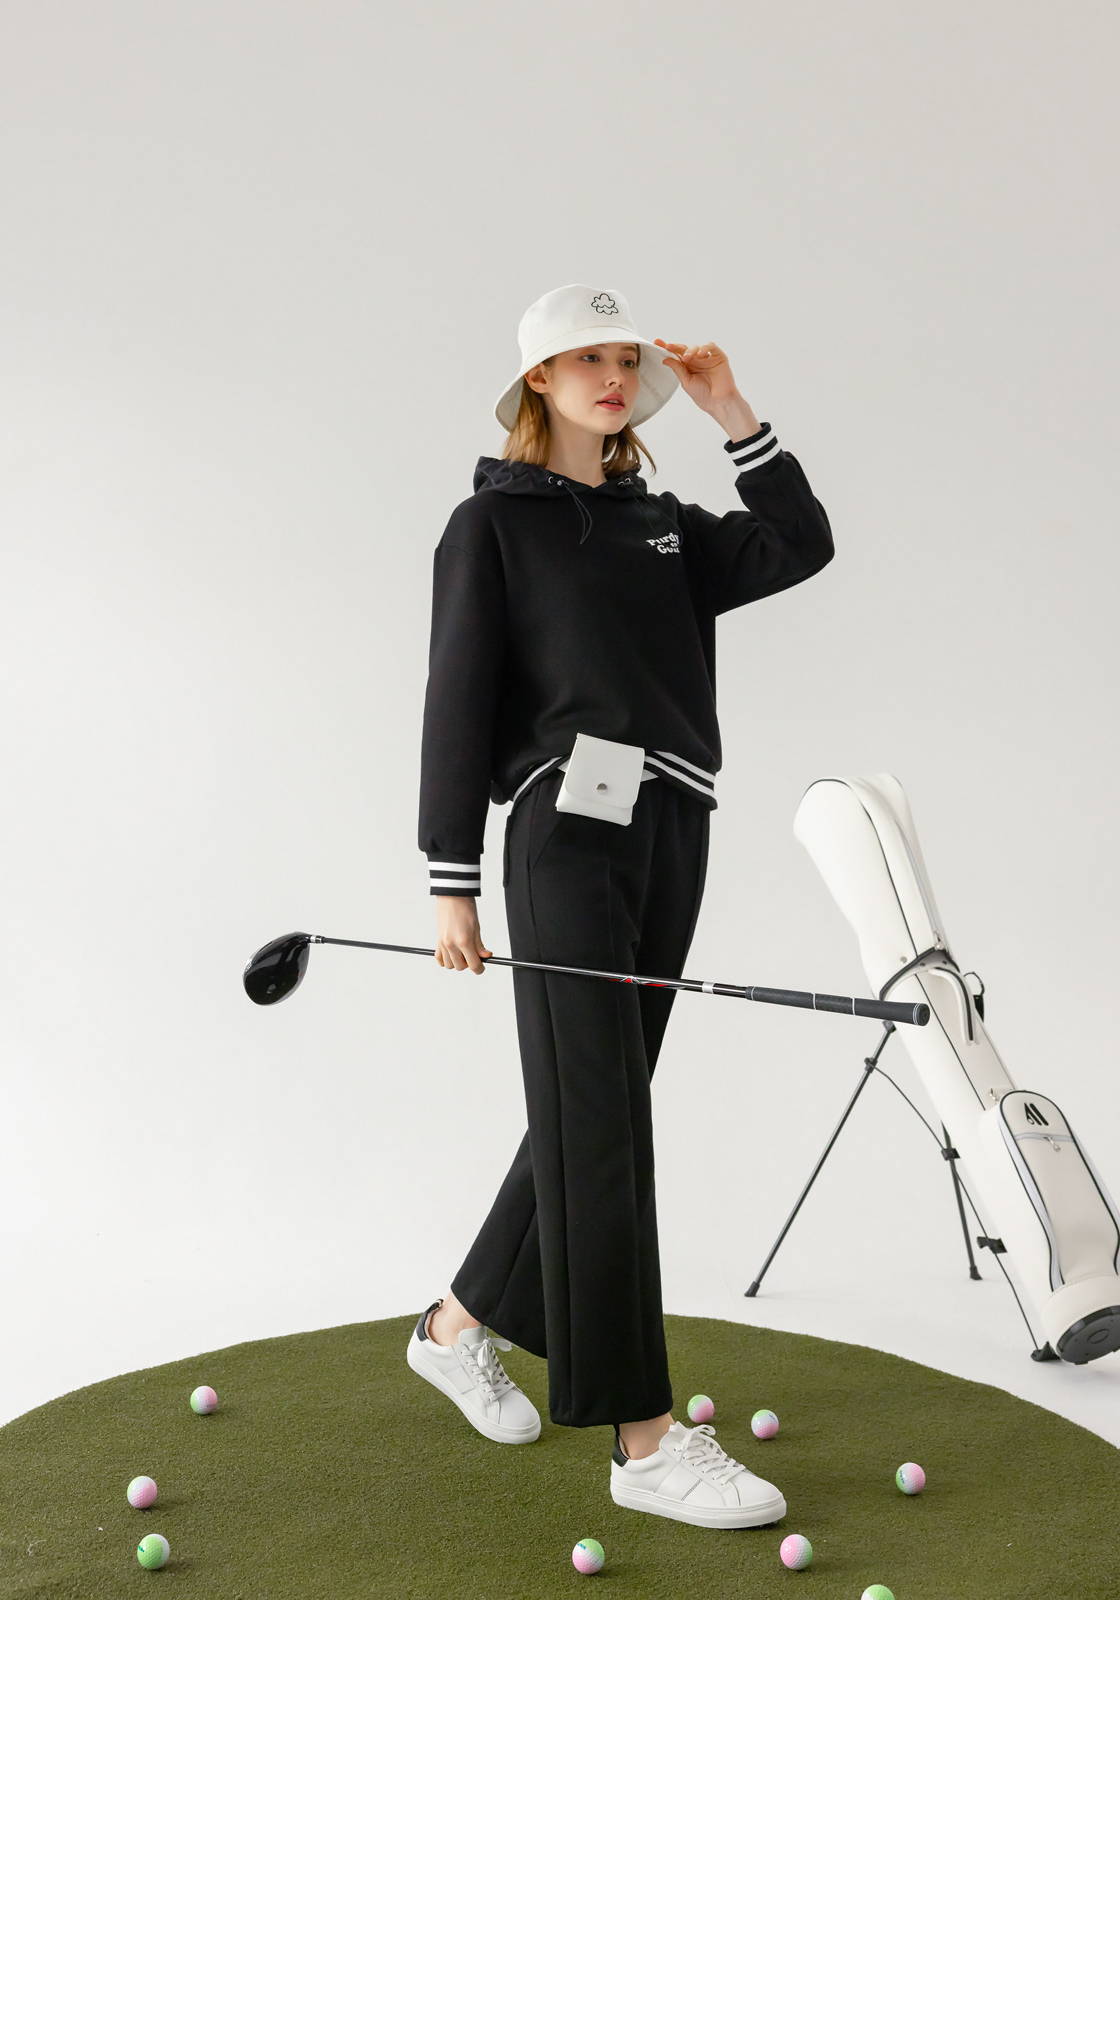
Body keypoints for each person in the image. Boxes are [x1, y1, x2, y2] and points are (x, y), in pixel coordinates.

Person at [408, 284, 833, 1530]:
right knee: (601, 1121)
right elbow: (455, 699)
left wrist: (731, 411)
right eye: (582, 359)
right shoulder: (489, 524)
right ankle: (642, 1439)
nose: (610, 376)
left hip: (673, 828)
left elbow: (799, 543)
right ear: (538, 381)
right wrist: (450, 878)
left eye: (621, 359)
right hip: (563, 835)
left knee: (592, 1103)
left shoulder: (664, 525)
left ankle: (455, 1325)